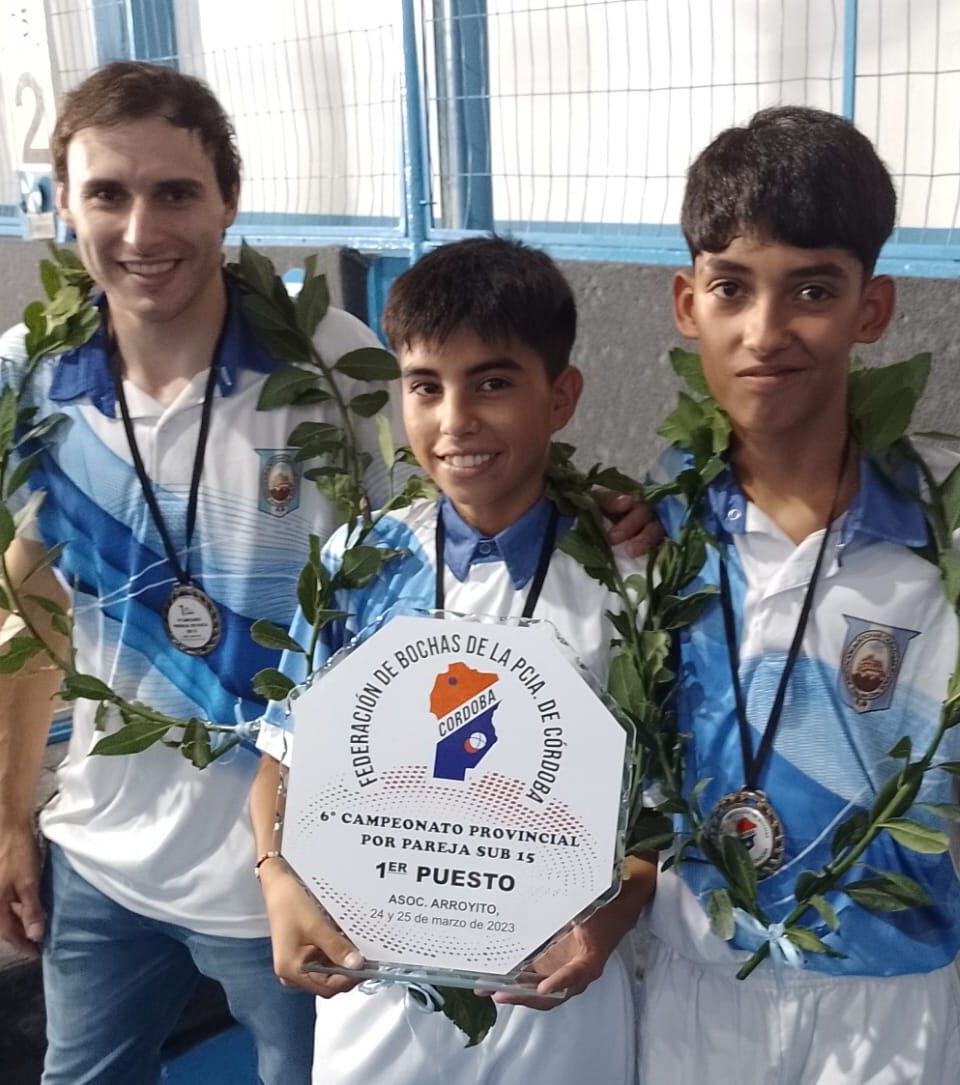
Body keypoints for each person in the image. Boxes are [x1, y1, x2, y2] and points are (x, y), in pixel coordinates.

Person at [0, 61, 394, 1084]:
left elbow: (412, 582)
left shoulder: (329, 367)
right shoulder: (28, 373)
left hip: (291, 869)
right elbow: (28, 609)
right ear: (64, 203)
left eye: (174, 192)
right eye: (106, 193)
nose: (139, 228)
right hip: (101, 862)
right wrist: (7, 823)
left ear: (228, 200)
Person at [638, 106, 960, 1085]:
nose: (765, 330)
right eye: (731, 287)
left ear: (868, 309)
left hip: (888, 1001)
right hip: (694, 980)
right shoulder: (657, 521)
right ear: (684, 301)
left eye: (811, 289)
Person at [250, 237, 656, 1085]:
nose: (455, 418)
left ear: (561, 397)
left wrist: (601, 930)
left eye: (494, 381)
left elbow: (665, 815)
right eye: (426, 386)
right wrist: (278, 875)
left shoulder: (629, 579)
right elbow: (281, 761)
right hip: (377, 990)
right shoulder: (358, 563)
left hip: (553, 995)